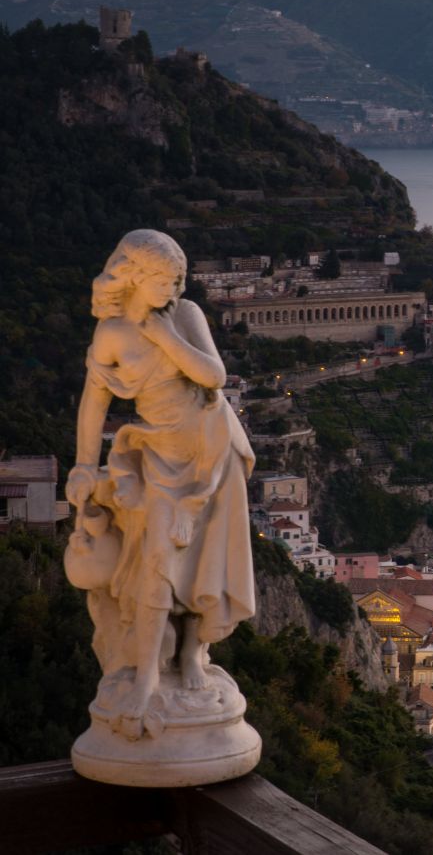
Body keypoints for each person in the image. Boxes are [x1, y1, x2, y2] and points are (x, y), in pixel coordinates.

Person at [66, 229, 254, 742]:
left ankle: (192, 650)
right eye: (164, 281)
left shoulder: (185, 316)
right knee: (158, 556)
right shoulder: (110, 334)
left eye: (179, 281)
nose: (173, 291)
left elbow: (213, 376)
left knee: (203, 556)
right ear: (134, 277)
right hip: (157, 451)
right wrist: (84, 464)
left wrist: (164, 334)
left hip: (213, 444)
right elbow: (94, 404)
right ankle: (147, 674)